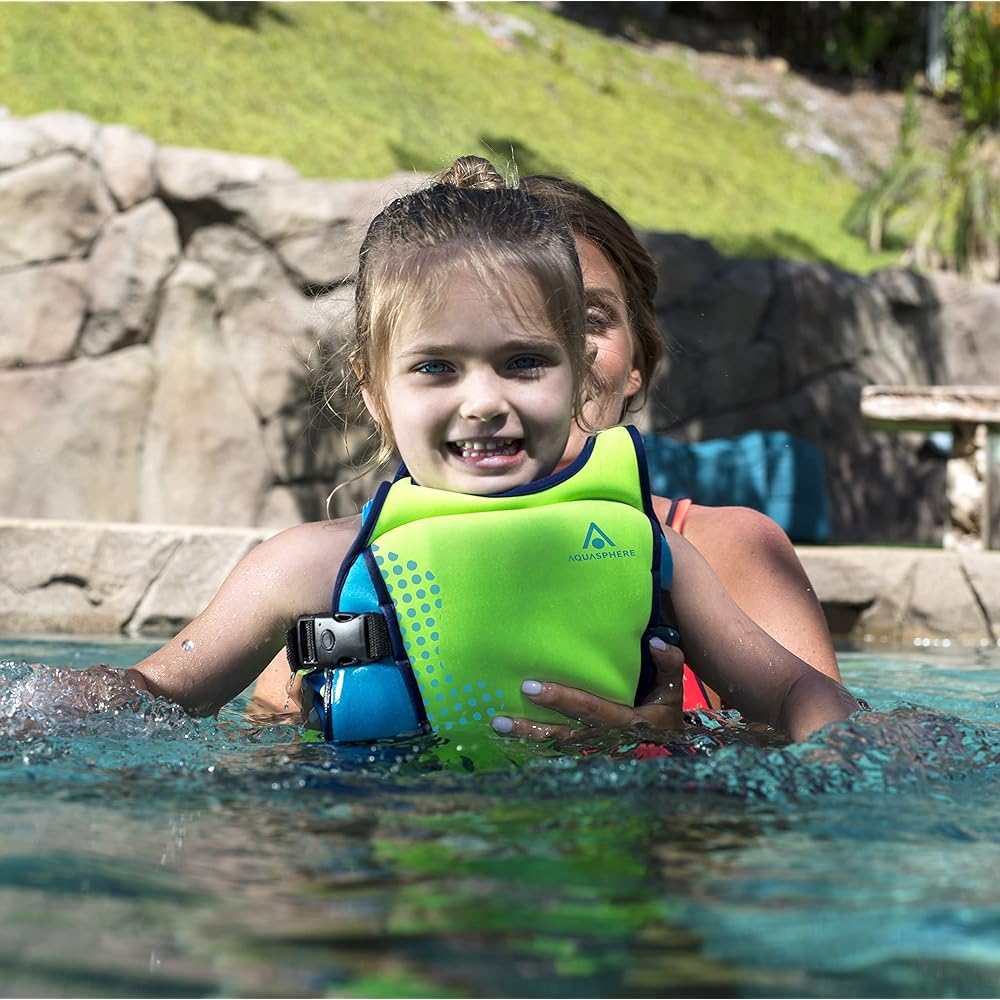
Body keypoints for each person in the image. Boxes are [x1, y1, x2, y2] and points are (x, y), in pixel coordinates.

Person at [39, 152, 852, 751]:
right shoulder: (314, 569)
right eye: (436, 366)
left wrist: (689, 754)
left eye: (525, 360)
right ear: (373, 389)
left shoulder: (662, 555)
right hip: (389, 883)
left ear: (585, 368)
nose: (484, 400)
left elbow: (804, 707)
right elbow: (160, 693)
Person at [483, 173, 845, 741]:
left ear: (637, 365)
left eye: (589, 319)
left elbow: (840, 760)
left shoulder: (724, 554)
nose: (558, 352)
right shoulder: (359, 565)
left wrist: (687, 747)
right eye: (510, 327)